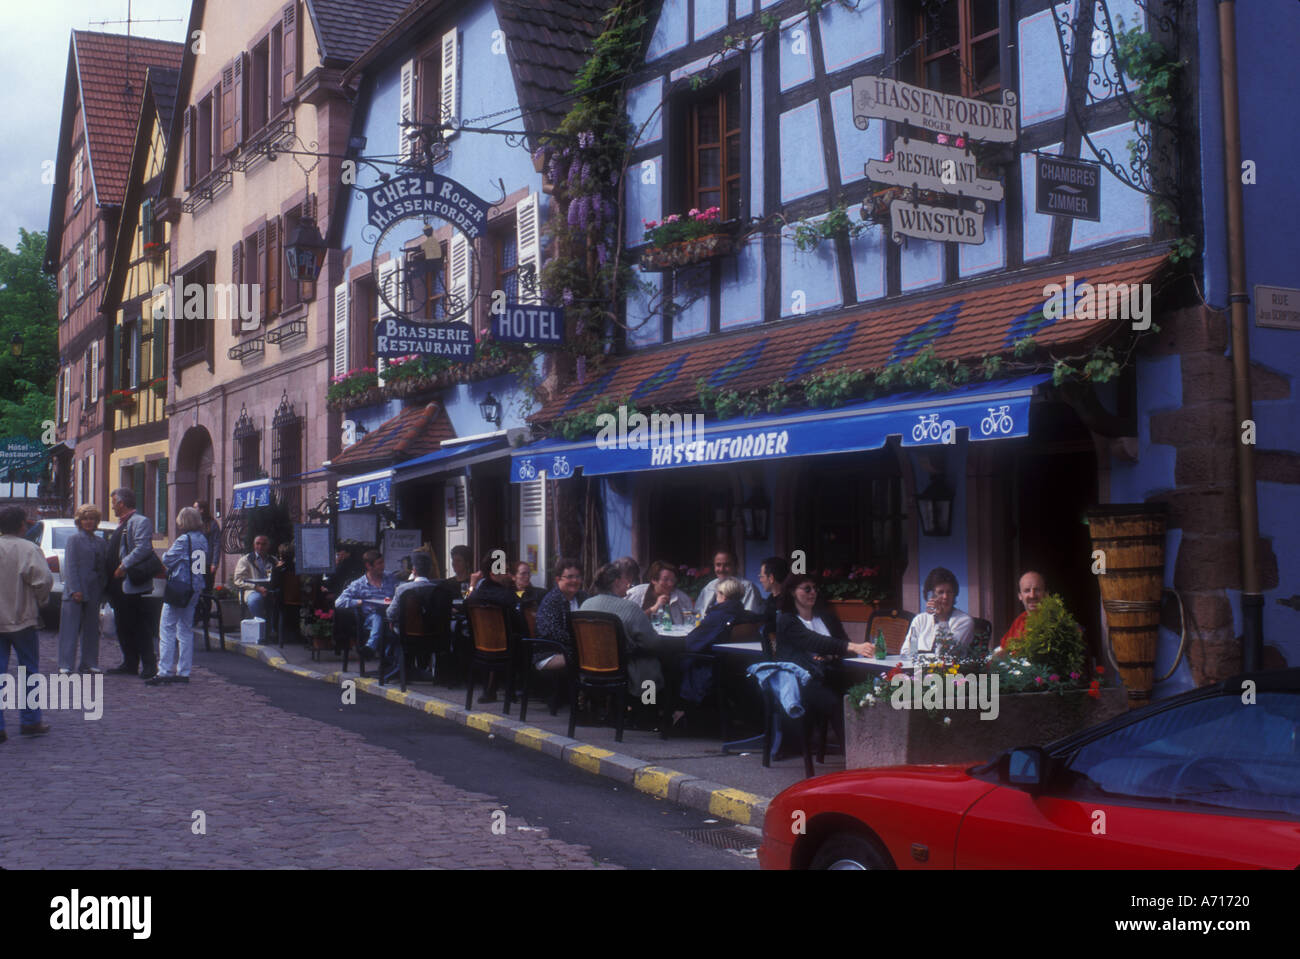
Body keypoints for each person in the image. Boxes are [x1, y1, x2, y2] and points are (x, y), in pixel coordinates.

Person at [774, 574, 872, 744]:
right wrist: (854, 647)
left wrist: (832, 653)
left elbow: (841, 643)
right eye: (807, 589)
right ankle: (852, 750)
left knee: (867, 691)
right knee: (836, 702)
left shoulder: (827, 617)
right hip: (804, 680)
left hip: (831, 673)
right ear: (792, 592)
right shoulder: (787, 620)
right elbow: (813, 640)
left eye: (814, 588)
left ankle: (872, 743)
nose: (813, 592)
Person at [0, 506, 55, 741]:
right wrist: (40, 602)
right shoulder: (29, 549)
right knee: (29, 671)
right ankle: (30, 720)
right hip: (22, 618)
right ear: (21, 525)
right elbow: (43, 581)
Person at [579, 561, 669, 695]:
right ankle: (648, 706)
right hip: (622, 671)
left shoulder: (586, 605)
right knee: (650, 664)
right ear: (616, 582)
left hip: (591, 669)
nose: (627, 584)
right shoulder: (630, 608)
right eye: (624, 580)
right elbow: (652, 643)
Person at [679, 578, 765, 704]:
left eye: (717, 593)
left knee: (675, 658)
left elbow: (691, 643)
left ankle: (678, 707)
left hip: (715, 668)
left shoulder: (719, 615)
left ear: (723, 596)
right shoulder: (747, 615)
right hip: (741, 667)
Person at [106, 487, 159, 679]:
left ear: (121, 503)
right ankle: (129, 662)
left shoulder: (140, 521)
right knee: (123, 625)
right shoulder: (121, 523)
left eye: (113, 502)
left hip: (130, 582)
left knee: (139, 625)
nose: (112, 506)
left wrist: (123, 566)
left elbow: (143, 547)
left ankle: (149, 664)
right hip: (118, 586)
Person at [151, 507, 206, 685]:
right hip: (195, 588)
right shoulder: (203, 540)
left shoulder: (184, 539)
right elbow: (201, 567)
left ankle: (164, 671)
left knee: (166, 628)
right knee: (185, 630)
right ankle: (184, 671)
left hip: (179, 587)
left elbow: (167, 559)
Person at [58, 504, 109, 675]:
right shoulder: (74, 540)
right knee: (70, 629)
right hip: (76, 590)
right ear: (79, 521)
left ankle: (89, 662)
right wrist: (75, 589)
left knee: (91, 628)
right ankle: (66, 664)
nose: (89, 522)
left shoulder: (101, 542)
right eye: (85, 519)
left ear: (96, 522)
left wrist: (103, 588)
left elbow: (103, 567)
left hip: (94, 589)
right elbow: (70, 566)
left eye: (92, 519)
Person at [334, 549, 398, 658]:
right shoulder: (359, 584)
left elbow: (401, 590)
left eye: (383, 562)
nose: (383, 566)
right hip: (370, 620)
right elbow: (339, 602)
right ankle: (373, 649)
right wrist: (359, 602)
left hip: (391, 618)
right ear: (369, 566)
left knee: (398, 630)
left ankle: (375, 651)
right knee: (377, 616)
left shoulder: (390, 578)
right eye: (379, 563)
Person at [902, 566, 974, 659]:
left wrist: (942, 619)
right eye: (940, 592)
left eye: (949, 592)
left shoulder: (964, 621)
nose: (945, 596)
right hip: (918, 669)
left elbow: (949, 654)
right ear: (931, 596)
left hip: (949, 671)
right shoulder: (920, 619)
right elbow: (906, 651)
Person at [533, 557, 585, 671]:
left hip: (574, 649)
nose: (575, 581)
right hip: (550, 653)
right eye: (570, 577)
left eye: (578, 577)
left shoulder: (582, 597)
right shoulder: (552, 601)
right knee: (589, 658)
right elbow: (552, 633)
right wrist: (582, 642)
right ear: (558, 580)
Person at [695, 549, 763, 614]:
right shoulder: (709, 587)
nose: (721, 569)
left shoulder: (748, 588)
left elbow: (749, 619)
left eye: (727, 565)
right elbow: (698, 613)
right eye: (718, 565)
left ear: (736, 566)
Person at [627, 560, 694, 625]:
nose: (670, 584)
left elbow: (691, 622)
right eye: (665, 579)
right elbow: (628, 621)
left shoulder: (682, 598)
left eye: (673, 580)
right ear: (653, 580)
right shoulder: (636, 593)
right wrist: (654, 608)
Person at [998, 570, 1047, 652]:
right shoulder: (1019, 621)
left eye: (1037, 590)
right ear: (1020, 596)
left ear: (1046, 594)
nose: (1032, 595)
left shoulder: (1056, 621)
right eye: (1027, 590)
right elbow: (1003, 650)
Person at [233, 535, 275, 619]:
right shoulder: (245, 560)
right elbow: (238, 580)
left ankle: (275, 629)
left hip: (270, 590)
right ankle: (260, 624)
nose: (260, 546)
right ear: (254, 545)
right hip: (251, 590)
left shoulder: (273, 560)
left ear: (268, 546)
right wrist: (256, 587)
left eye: (264, 544)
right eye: (258, 543)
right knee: (255, 600)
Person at [758, 555, 790, 641]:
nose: (760, 580)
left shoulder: (788, 602)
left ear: (771, 578)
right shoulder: (770, 599)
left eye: (761, 576)